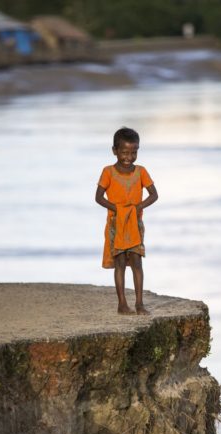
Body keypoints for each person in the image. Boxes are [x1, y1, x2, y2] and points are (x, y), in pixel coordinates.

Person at [95, 127, 159, 315]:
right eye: (124, 152)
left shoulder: (141, 172)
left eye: (134, 152)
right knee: (120, 262)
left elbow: (154, 194)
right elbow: (98, 197)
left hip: (134, 224)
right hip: (116, 223)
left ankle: (139, 304)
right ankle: (122, 304)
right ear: (114, 150)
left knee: (137, 262)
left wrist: (138, 208)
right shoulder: (108, 172)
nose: (129, 157)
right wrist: (117, 209)